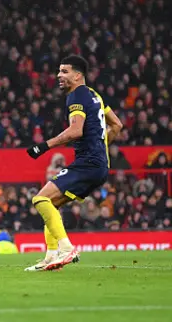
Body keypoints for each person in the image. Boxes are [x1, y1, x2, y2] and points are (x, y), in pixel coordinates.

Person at [25, 55, 123, 271]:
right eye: (59, 71)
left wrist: (43, 146)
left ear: (78, 75)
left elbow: (76, 131)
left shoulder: (76, 95)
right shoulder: (94, 95)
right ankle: (52, 258)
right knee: (52, 203)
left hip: (88, 163)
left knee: (40, 198)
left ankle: (66, 248)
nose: (59, 75)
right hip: (98, 165)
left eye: (65, 71)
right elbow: (116, 125)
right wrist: (100, 148)